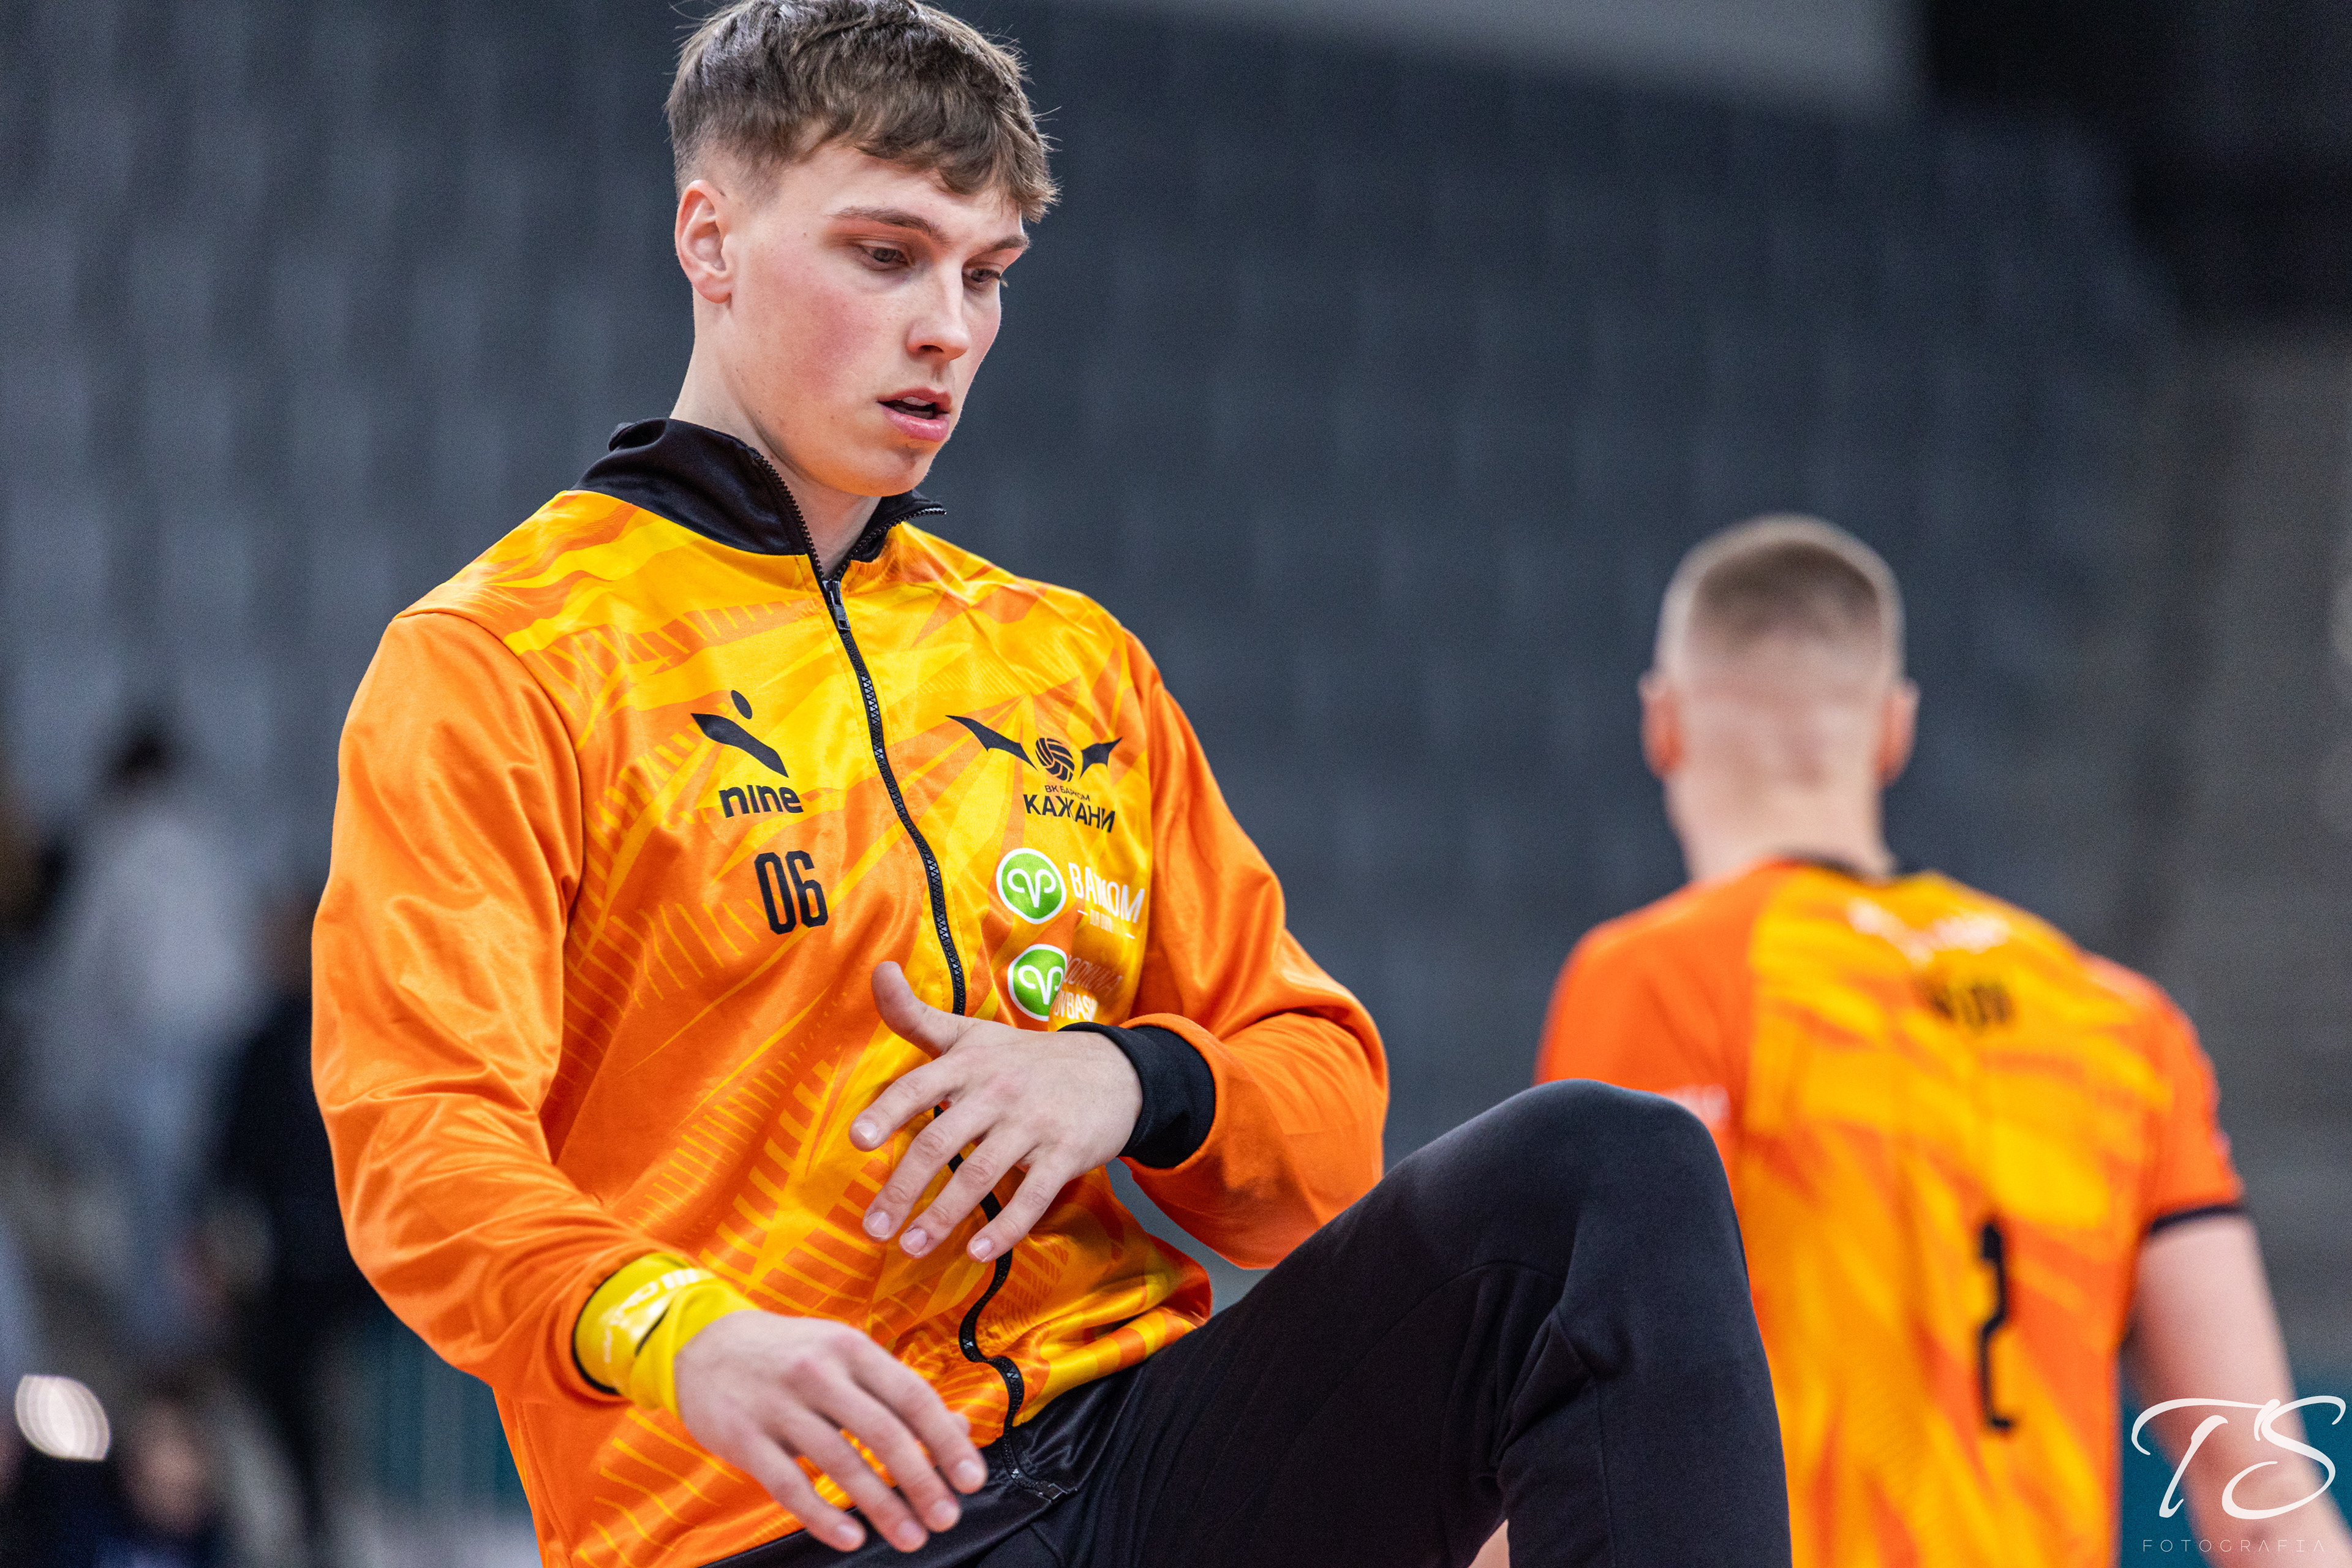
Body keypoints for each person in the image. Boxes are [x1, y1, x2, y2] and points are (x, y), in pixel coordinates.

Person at [312, 4, 1791, 1564]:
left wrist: (1129, 1080)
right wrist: (685, 1331)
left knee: (1608, 1172)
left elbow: (1324, 1126)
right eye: (887, 256)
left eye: (987, 273)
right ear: (711, 238)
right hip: (777, 1516)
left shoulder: (1070, 663)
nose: (946, 327)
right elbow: (418, 1141)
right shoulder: (505, 657)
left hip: (1138, 1459)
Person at [1530, 515, 2352, 1566]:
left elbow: (1574, 1430)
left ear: (1663, 724)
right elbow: (2265, 1493)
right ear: (1893, 730)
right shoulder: (2118, 1021)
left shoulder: (1660, 978)